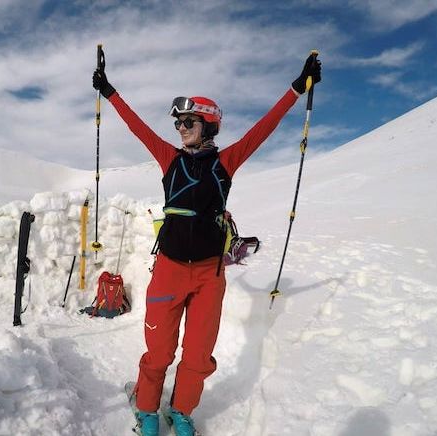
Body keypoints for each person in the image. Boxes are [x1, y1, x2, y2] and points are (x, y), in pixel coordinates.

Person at [93, 53, 321, 436]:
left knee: (198, 355)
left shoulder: (225, 163)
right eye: (178, 123)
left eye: (188, 122)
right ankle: (146, 409)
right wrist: (109, 90)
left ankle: (181, 410)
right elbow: (137, 127)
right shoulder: (169, 159)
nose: (180, 128)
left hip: (208, 277)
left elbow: (263, 129)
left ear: (208, 125)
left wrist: (297, 88)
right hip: (168, 271)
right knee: (159, 351)